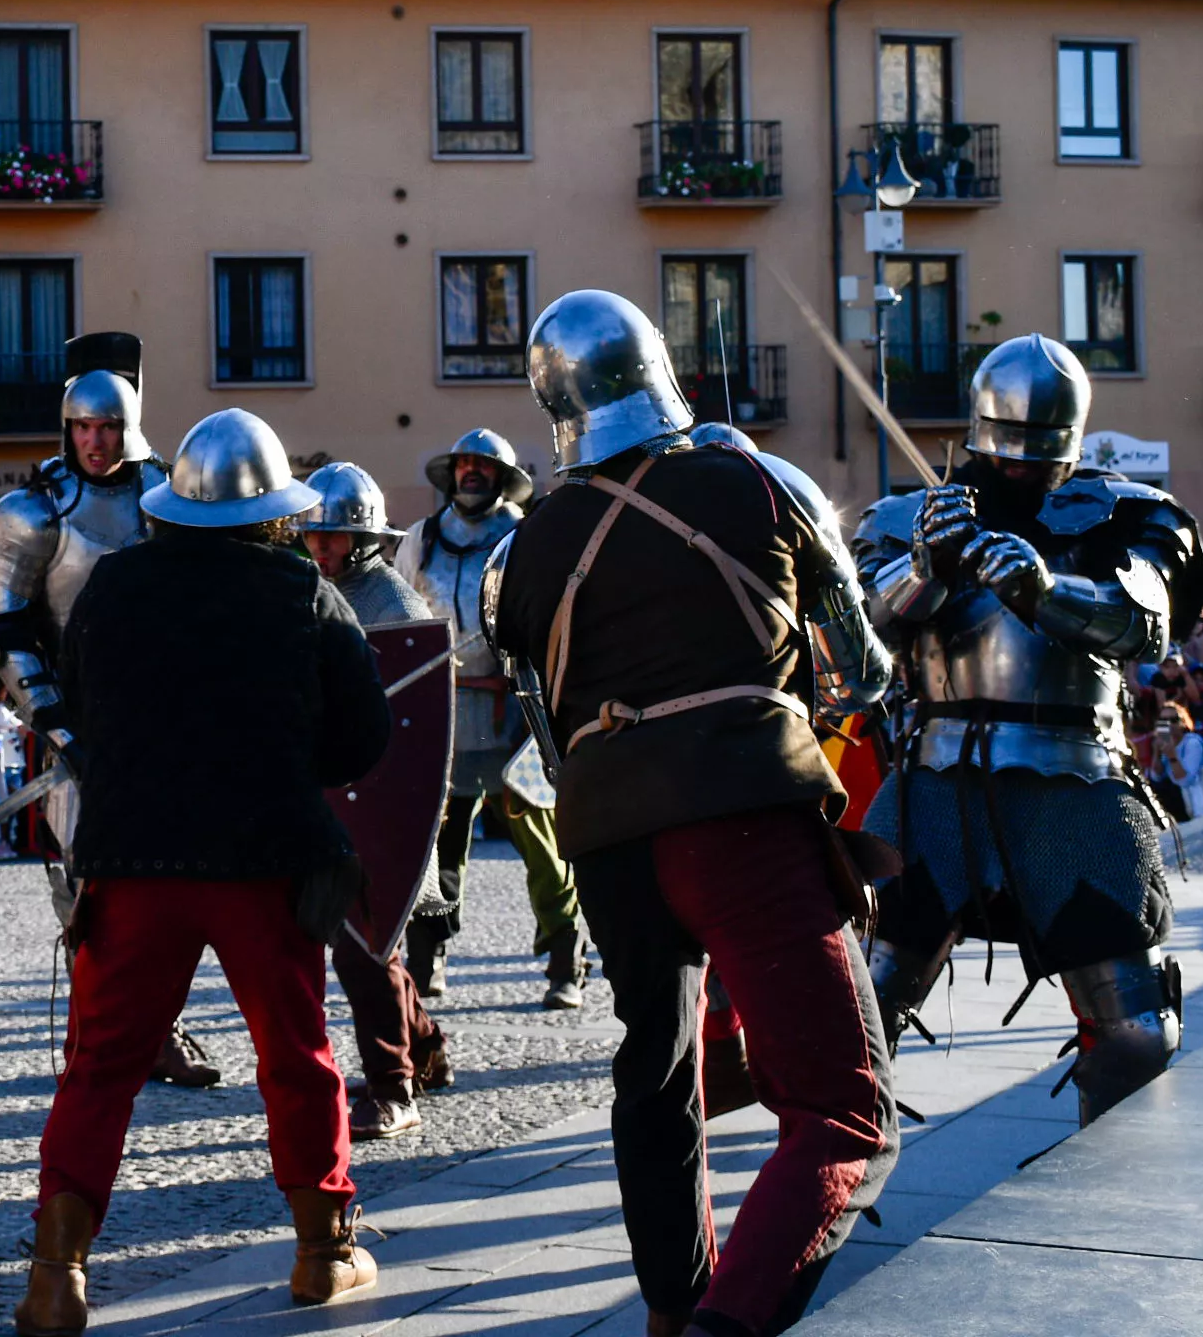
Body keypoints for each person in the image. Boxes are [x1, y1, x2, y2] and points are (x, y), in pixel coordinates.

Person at [486, 292, 899, 1337]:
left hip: (613, 839)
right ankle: (729, 1324)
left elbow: (550, 735)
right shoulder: (761, 478)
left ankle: (673, 1309)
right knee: (845, 1112)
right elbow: (866, 676)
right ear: (656, 367)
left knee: (659, 1070)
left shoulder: (518, 549)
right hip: (743, 814)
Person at [13, 411, 392, 1336]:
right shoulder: (304, 589)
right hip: (265, 860)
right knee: (296, 1062)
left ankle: (57, 1279)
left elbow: (84, 702)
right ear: (272, 509)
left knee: (98, 1070)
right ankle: (322, 1254)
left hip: (131, 857)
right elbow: (363, 738)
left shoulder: (113, 585)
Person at [855, 335, 1203, 1125]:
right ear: (980, 431)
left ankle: (1095, 1194)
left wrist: (1046, 589)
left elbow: (1145, 623)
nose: (1021, 469)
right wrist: (926, 569)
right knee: (856, 1006)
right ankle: (840, 1165)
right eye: (1008, 452)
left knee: (1136, 1033)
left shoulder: (1129, 512)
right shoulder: (910, 516)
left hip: (1077, 775)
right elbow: (868, 632)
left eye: (1038, 456)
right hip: (935, 779)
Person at [0, 334, 219, 1088]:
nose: (94, 441)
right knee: (90, 887)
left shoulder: (171, 501)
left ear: (129, 427)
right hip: (75, 717)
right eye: (82, 427)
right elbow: (6, 628)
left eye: (107, 428)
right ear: (66, 427)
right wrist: (54, 720)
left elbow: (202, 607)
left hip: (164, 721)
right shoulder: (32, 511)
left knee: (170, 888)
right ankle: (99, 1036)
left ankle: (158, 1029)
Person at [394, 427, 585, 1011]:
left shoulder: (526, 537)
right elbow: (402, 619)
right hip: (443, 712)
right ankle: (429, 960)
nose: (471, 473)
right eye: (464, 464)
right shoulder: (421, 540)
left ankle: (563, 960)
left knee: (542, 843)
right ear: (451, 473)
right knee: (438, 845)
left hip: (516, 712)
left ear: (501, 476)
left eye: (483, 465)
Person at [297, 461, 452, 1143]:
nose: (321, 547)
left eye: (333, 537)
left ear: (363, 539)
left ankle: (392, 1088)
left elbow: (410, 727)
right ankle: (428, 1049)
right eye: (314, 535)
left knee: (366, 945)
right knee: (362, 939)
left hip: (381, 802)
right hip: (327, 796)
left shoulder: (396, 611)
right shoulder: (305, 594)